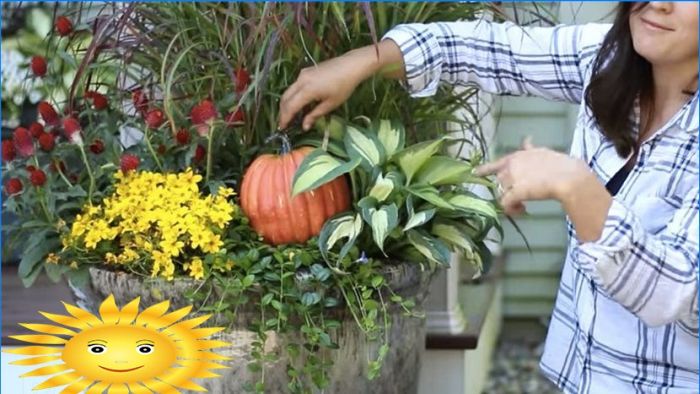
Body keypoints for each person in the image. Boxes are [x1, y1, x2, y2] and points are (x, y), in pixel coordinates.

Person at [278, 2, 699, 393]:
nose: (658, 3)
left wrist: (573, 184)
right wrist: (362, 62)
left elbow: (674, 291)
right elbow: (486, 48)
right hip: (581, 373)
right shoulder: (607, 60)